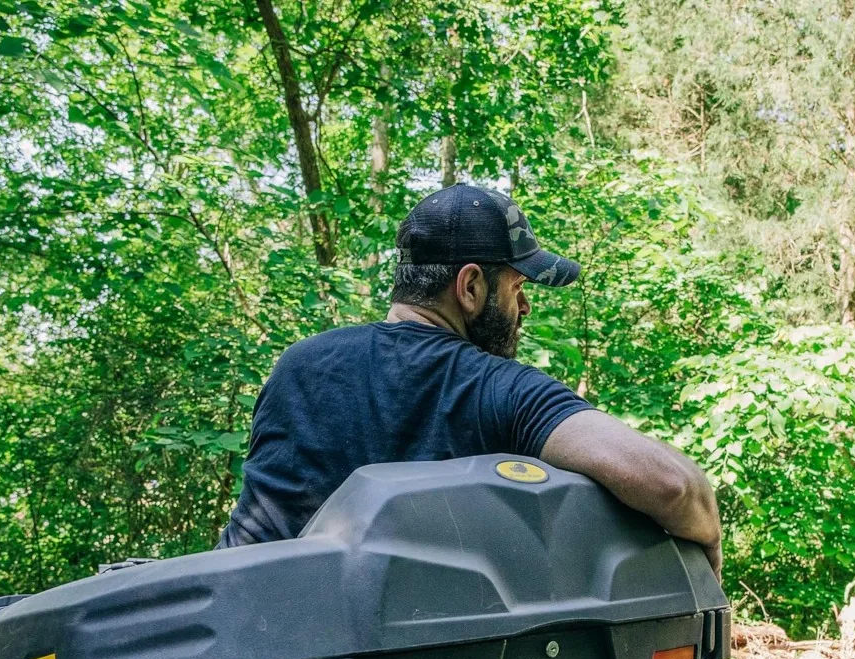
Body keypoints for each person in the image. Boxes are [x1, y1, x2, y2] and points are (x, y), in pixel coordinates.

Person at [217, 183, 722, 579]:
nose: (524, 307)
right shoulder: (503, 390)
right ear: (471, 287)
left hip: (258, 645)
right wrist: (711, 543)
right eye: (518, 288)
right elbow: (672, 486)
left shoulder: (300, 364)